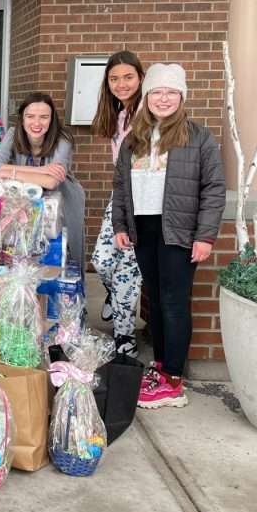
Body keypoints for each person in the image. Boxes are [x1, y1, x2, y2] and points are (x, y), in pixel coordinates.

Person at [111, 63, 224, 409]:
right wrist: (120, 225)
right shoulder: (136, 137)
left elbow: (214, 188)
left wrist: (205, 236)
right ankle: (160, 367)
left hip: (179, 230)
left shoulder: (198, 136)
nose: (163, 98)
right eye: (156, 92)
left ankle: (173, 380)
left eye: (171, 92)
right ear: (146, 97)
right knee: (157, 301)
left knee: (174, 303)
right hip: (143, 229)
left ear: (182, 96)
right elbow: (121, 186)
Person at [0, 93, 86, 271]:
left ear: (52, 119)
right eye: (30, 116)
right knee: (23, 251)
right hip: (26, 199)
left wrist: (8, 171)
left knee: (64, 253)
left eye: (44, 117)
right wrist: (40, 170)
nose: (36, 123)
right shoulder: (14, 134)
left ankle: (68, 296)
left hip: (63, 199)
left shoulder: (63, 138)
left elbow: (52, 182)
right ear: (22, 119)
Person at [90, 50, 146, 358]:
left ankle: (125, 338)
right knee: (101, 260)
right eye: (114, 78)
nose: (121, 84)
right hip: (120, 197)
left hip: (145, 203)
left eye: (128, 77)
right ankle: (114, 297)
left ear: (140, 78)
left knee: (128, 274)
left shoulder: (147, 113)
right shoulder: (119, 114)